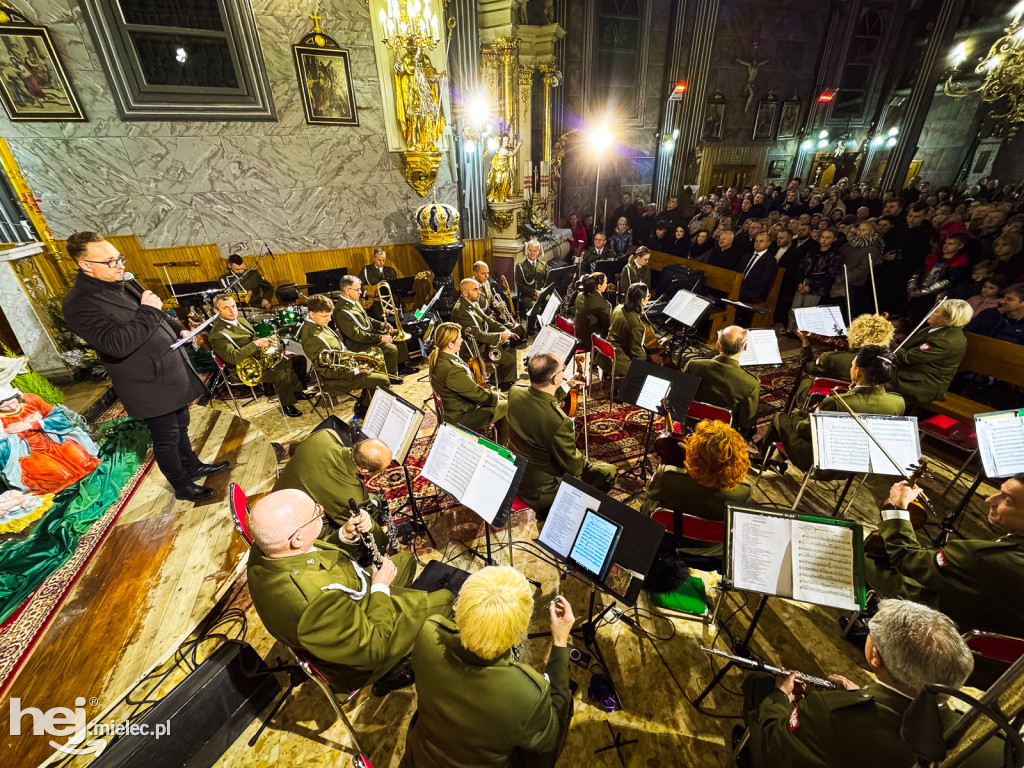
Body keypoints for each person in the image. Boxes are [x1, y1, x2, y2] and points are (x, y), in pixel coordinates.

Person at [62, 231, 227, 503]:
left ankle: (192, 465)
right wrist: (149, 311)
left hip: (167, 368)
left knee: (181, 422)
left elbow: (159, 315)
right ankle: (182, 485)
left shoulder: (123, 281)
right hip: (145, 380)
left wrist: (178, 330)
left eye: (119, 258)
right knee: (166, 436)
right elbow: (116, 344)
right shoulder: (78, 304)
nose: (120, 265)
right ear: (86, 265)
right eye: (110, 261)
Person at [246, 488, 455, 694]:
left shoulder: (266, 548)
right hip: (364, 654)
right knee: (444, 600)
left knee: (405, 562)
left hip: (351, 602)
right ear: (296, 539)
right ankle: (399, 667)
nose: (321, 511)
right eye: (316, 513)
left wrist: (344, 535)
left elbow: (312, 556)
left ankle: (409, 626)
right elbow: (374, 648)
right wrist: (381, 587)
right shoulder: (315, 603)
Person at [742, 599, 981, 768]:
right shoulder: (982, 739)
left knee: (759, 685)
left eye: (870, 631)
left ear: (876, 657)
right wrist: (862, 696)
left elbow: (775, 745)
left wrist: (780, 698)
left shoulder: (827, 713)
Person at [401, 567, 574, 768]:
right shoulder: (528, 693)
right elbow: (549, 745)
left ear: (460, 609)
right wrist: (560, 642)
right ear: (518, 635)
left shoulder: (429, 633)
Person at [863, 476, 1024, 635]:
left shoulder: (979, 557)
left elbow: (905, 557)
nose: (990, 499)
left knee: (864, 552)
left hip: (941, 627)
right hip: (992, 636)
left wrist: (897, 508)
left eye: (1006, 499)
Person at [762, 345, 904, 472]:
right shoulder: (898, 402)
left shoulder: (837, 402)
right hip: (857, 464)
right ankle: (777, 458)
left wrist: (798, 415)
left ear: (858, 373)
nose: (851, 368)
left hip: (819, 461)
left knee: (780, 417)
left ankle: (763, 458)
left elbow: (803, 430)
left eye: (852, 366)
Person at [506, 353, 617, 514]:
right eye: (562, 370)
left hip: (517, 472)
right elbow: (574, 467)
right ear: (555, 379)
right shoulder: (559, 422)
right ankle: (571, 513)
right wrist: (593, 465)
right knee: (608, 472)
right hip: (541, 490)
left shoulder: (515, 391)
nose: (563, 372)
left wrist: (566, 386)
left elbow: (540, 401)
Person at [641, 420, 751, 567]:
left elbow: (650, 492)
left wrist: (687, 458)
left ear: (694, 454)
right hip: (711, 552)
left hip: (668, 541)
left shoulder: (668, 477)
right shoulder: (743, 491)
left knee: (647, 505)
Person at [274, 433, 393, 544]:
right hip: (289, 529)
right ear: (364, 471)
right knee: (354, 530)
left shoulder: (325, 435)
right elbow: (362, 528)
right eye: (380, 471)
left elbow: (293, 448)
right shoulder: (353, 496)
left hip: (274, 500)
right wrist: (382, 540)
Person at [208, 294, 305, 418]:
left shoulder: (241, 320)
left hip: (260, 359)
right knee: (280, 375)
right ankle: (287, 405)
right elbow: (233, 358)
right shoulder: (218, 334)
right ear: (216, 311)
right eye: (226, 308)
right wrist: (255, 344)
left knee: (298, 360)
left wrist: (278, 352)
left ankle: (297, 392)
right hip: (245, 369)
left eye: (233, 306)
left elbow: (256, 341)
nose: (232, 310)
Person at [0, 380, 100, 495]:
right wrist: (19, 434)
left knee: (83, 462)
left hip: (53, 440)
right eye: (5, 406)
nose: (12, 406)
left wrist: (33, 424)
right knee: (62, 476)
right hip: (29, 453)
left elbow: (59, 416)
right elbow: (3, 449)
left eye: (13, 401)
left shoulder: (31, 400)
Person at [299, 294, 392, 418]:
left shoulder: (319, 325)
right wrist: (356, 370)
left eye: (329, 315)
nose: (329, 319)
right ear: (311, 314)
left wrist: (356, 356)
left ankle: (366, 402)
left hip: (345, 366)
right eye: (325, 316)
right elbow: (327, 371)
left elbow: (338, 352)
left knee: (377, 365)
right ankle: (366, 409)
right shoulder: (312, 337)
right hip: (337, 378)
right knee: (383, 380)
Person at [791, 313, 895, 407]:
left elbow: (807, 366)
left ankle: (796, 407)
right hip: (865, 401)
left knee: (807, 379)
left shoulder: (830, 357)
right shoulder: (885, 363)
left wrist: (805, 344)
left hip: (832, 398)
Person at [429, 322, 508, 437]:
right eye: (459, 338)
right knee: (509, 406)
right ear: (450, 344)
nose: (462, 341)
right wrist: (496, 398)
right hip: (461, 416)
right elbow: (477, 394)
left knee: (504, 397)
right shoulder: (452, 369)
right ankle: (503, 446)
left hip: (455, 409)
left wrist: (497, 396)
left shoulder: (440, 358)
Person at [682, 326, 761, 438]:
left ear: (717, 346)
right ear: (745, 347)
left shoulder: (693, 365)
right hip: (723, 439)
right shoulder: (751, 382)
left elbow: (682, 399)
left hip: (693, 431)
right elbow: (746, 423)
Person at [892, 299, 970, 404]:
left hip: (922, 385)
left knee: (873, 382)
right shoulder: (934, 329)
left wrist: (885, 338)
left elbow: (906, 357)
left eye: (937, 311)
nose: (931, 312)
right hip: (910, 374)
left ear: (947, 319)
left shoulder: (945, 340)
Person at [333, 274, 413, 376]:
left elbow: (366, 319)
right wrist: (380, 338)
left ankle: (401, 366)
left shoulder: (353, 301)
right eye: (357, 290)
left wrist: (381, 325)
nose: (360, 292)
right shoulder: (341, 311)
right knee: (390, 349)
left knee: (397, 333)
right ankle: (391, 376)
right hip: (357, 343)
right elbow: (356, 335)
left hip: (367, 335)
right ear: (347, 291)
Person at [450, 279, 517, 390]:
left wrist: (506, 331)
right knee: (509, 359)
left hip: (483, 341)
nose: (479, 292)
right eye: (475, 289)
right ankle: (505, 385)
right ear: (465, 293)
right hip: (474, 349)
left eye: (479, 288)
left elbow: (488, 320)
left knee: (511, 346)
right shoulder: (461, 311)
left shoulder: (473, 303)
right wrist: (500, 336)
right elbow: (478, 336)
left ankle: (504, 381)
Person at [605, 282, 649, 376]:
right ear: (642, 300)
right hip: (618, 362)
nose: (648, 299)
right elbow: (636, 352)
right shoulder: (637, 324)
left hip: (605, 354)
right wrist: (649, 359)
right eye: (648, 296)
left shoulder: (618, 308)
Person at [358, 247, 400, 321]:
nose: (382, 263)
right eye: (379, 260)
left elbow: (396, 286)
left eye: (384, 260)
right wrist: (367, 292)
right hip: (375, 303)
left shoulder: (391, 271)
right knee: (380, 317)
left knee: (402, 314)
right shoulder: (366, 270)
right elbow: (358, 286)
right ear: (373, 258)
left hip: (391, 301)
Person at [573, 272, 611, 351]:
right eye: (606, 283)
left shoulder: (579, 295)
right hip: (590, 342)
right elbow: (608, 326)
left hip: (577, 335)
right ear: (599, 286)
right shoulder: (605, 304)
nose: (607, 285)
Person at [738, 232, 779, 304]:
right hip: (738, 286)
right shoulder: (747, 255)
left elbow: (763, 280)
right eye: (756, 241)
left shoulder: (770, 260)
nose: (757, 243)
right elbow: (737, 270)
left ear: (768, 243)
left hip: (752, 292)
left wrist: (742, 286)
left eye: (761, 241)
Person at [515, 239, 548, 321]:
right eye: (530, 250)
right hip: (527, 296)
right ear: (527, 250)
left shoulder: (543, 265)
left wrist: (542, 292)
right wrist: (534, 292)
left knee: (552, 304)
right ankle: (530, 327)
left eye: (534, 251)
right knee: (536, 309)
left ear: (538, 252)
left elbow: (547, 281)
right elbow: (520, 285)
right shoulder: (520, 266)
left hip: (541, 293)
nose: (532, 253)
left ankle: (543, 324)